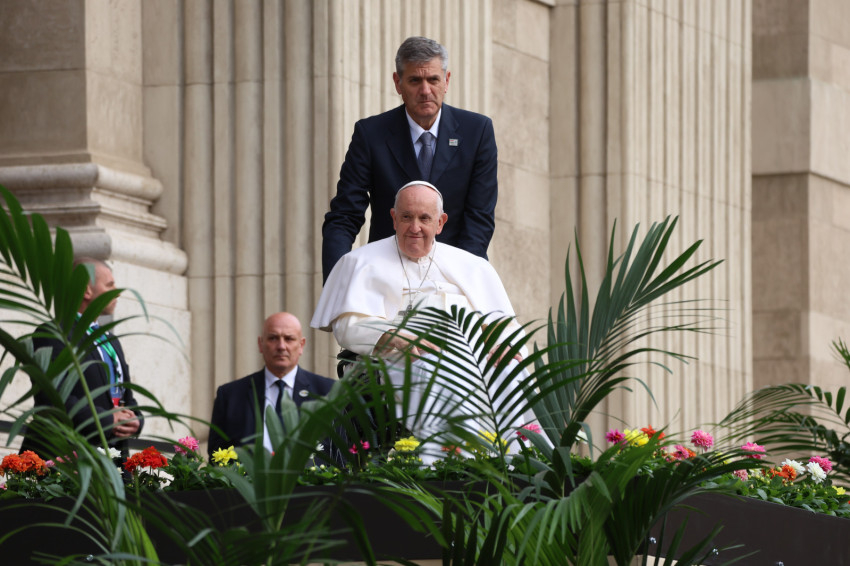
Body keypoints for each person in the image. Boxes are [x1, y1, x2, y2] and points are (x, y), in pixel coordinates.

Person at [312, 182, 530, 456]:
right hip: (398, 361)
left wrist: (502, 343)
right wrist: (389, 335)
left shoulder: (472, 266)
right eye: (406, 217)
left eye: (424, 218)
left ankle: (514, 461)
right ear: (393, 218)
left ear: (440, 223)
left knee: (508, 371)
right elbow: (347, 326)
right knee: (440, 370)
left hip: (471, 357)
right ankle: (448, 462)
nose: (414, 227)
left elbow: (505, 324)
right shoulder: (360, 262)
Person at [321, 35, 498, 282]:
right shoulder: (371, 135)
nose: (425, 91)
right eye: (415, 80)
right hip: (385, 277)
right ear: (398, 83)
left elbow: (479, 219)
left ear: (446, 81)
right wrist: (336, 284)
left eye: (433, 79)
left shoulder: (477, 132)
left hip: (455, 276)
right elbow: (344, 216)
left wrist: (456, 282)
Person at [21, 258, 143, 460]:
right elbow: (53, 398)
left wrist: (136, 420)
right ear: (86, 290)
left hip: (112, 458)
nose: (118, 293)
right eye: (110, 285)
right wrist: (107, 420)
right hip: (67, 460)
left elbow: (125, 395)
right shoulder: (54, 334)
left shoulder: (111, 340)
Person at [207, 312, 336, 459]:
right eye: (273, 338)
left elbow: (339, 454)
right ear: (260, 344)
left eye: (289, 338)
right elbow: (216, 455)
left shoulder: (327, 392)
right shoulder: (230, 395)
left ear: (301, 345)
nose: (281, 346)